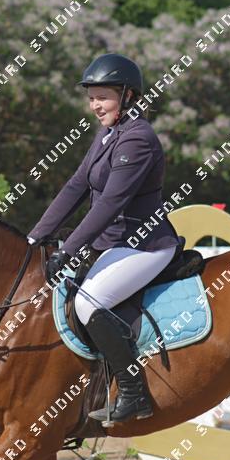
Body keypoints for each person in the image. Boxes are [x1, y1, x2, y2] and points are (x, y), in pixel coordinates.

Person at [26, 53, 182, 426]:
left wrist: (67, 250)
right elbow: (76, 186)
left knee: (88, 302)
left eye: (103, 97)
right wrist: (34, 237)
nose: (95, 106)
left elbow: (111, 203)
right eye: (91, 98)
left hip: (145, 245)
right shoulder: (108, 134)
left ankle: (133, 393)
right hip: (116, 244)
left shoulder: (138, 138)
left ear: (128, 96)